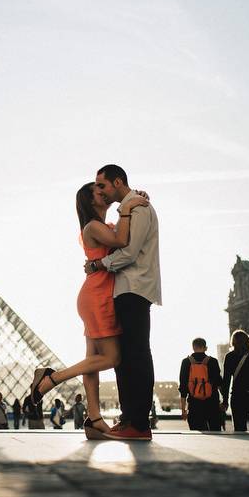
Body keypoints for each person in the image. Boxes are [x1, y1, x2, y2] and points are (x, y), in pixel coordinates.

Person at [30, 178, 150, 441]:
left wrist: (131, 199)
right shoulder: (93, 227)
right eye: (99, 190)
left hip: (95, 293)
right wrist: (128, 207)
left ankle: (94, 418)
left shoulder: (98, 226)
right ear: (90, 199)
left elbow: (119, 233)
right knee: (112, 358)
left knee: (92, 361)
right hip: (98, 297)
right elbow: (122, 240)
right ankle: (52, 378)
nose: (104, 192)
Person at [84, 165, 161, 441]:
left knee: (137, 354)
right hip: (125, 289)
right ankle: (130, 418)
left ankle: (139, 422)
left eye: (102, 185)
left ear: (117, 182)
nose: (100, 191)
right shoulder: (129, 208)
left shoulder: (137, 208)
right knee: (126, 357)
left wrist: (97, 264)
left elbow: (128, 252)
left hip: (134, 287)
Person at [179, 337, 223, 431]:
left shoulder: (186, 362)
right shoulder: (213, 361)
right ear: (205, 348)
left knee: (197, 437)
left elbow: (183, 387)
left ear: (193, 347)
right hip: (212, 404)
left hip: (194, 405)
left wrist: (183, 410)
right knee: (216, 434)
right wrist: (225, 401)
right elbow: (219, 383)